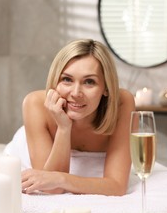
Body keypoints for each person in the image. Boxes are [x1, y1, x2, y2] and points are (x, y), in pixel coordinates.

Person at [17, 39, 135, 196]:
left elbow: (117, 186)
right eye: (67, 79)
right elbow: (50, 188)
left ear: (106, 87)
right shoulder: (34, 104)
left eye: (89, 82)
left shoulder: (122, 103)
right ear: (55, 81)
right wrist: (64, 128)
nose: (76, 93)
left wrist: (61, 179)